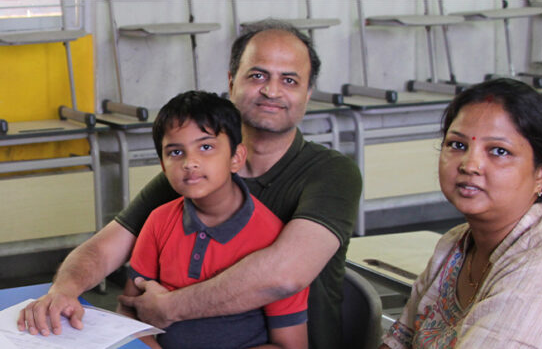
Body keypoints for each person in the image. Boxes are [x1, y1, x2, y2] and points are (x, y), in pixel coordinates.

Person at [18, 19, 362, 349]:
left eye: (290, 80)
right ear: (231, 82)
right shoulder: (196, 174)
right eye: (258, 75)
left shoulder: (331, 172)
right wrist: (63, 290)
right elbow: (107, 246)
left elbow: (285, 274)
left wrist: (171, 308)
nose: (272, 91)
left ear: (308, 92)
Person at [380, 78, 542, 349]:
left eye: (499, 151)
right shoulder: (456, 243)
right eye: (458, 145)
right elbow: (399, 343)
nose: (470, 165)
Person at [117, 90, 308, 349]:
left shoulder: (274, 239)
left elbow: (290, 346)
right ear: (163, 166)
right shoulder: (158, 222)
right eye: (175, 152)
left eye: (206, 147)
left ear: (236, 158)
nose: (190, 163)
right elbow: (129, 312)